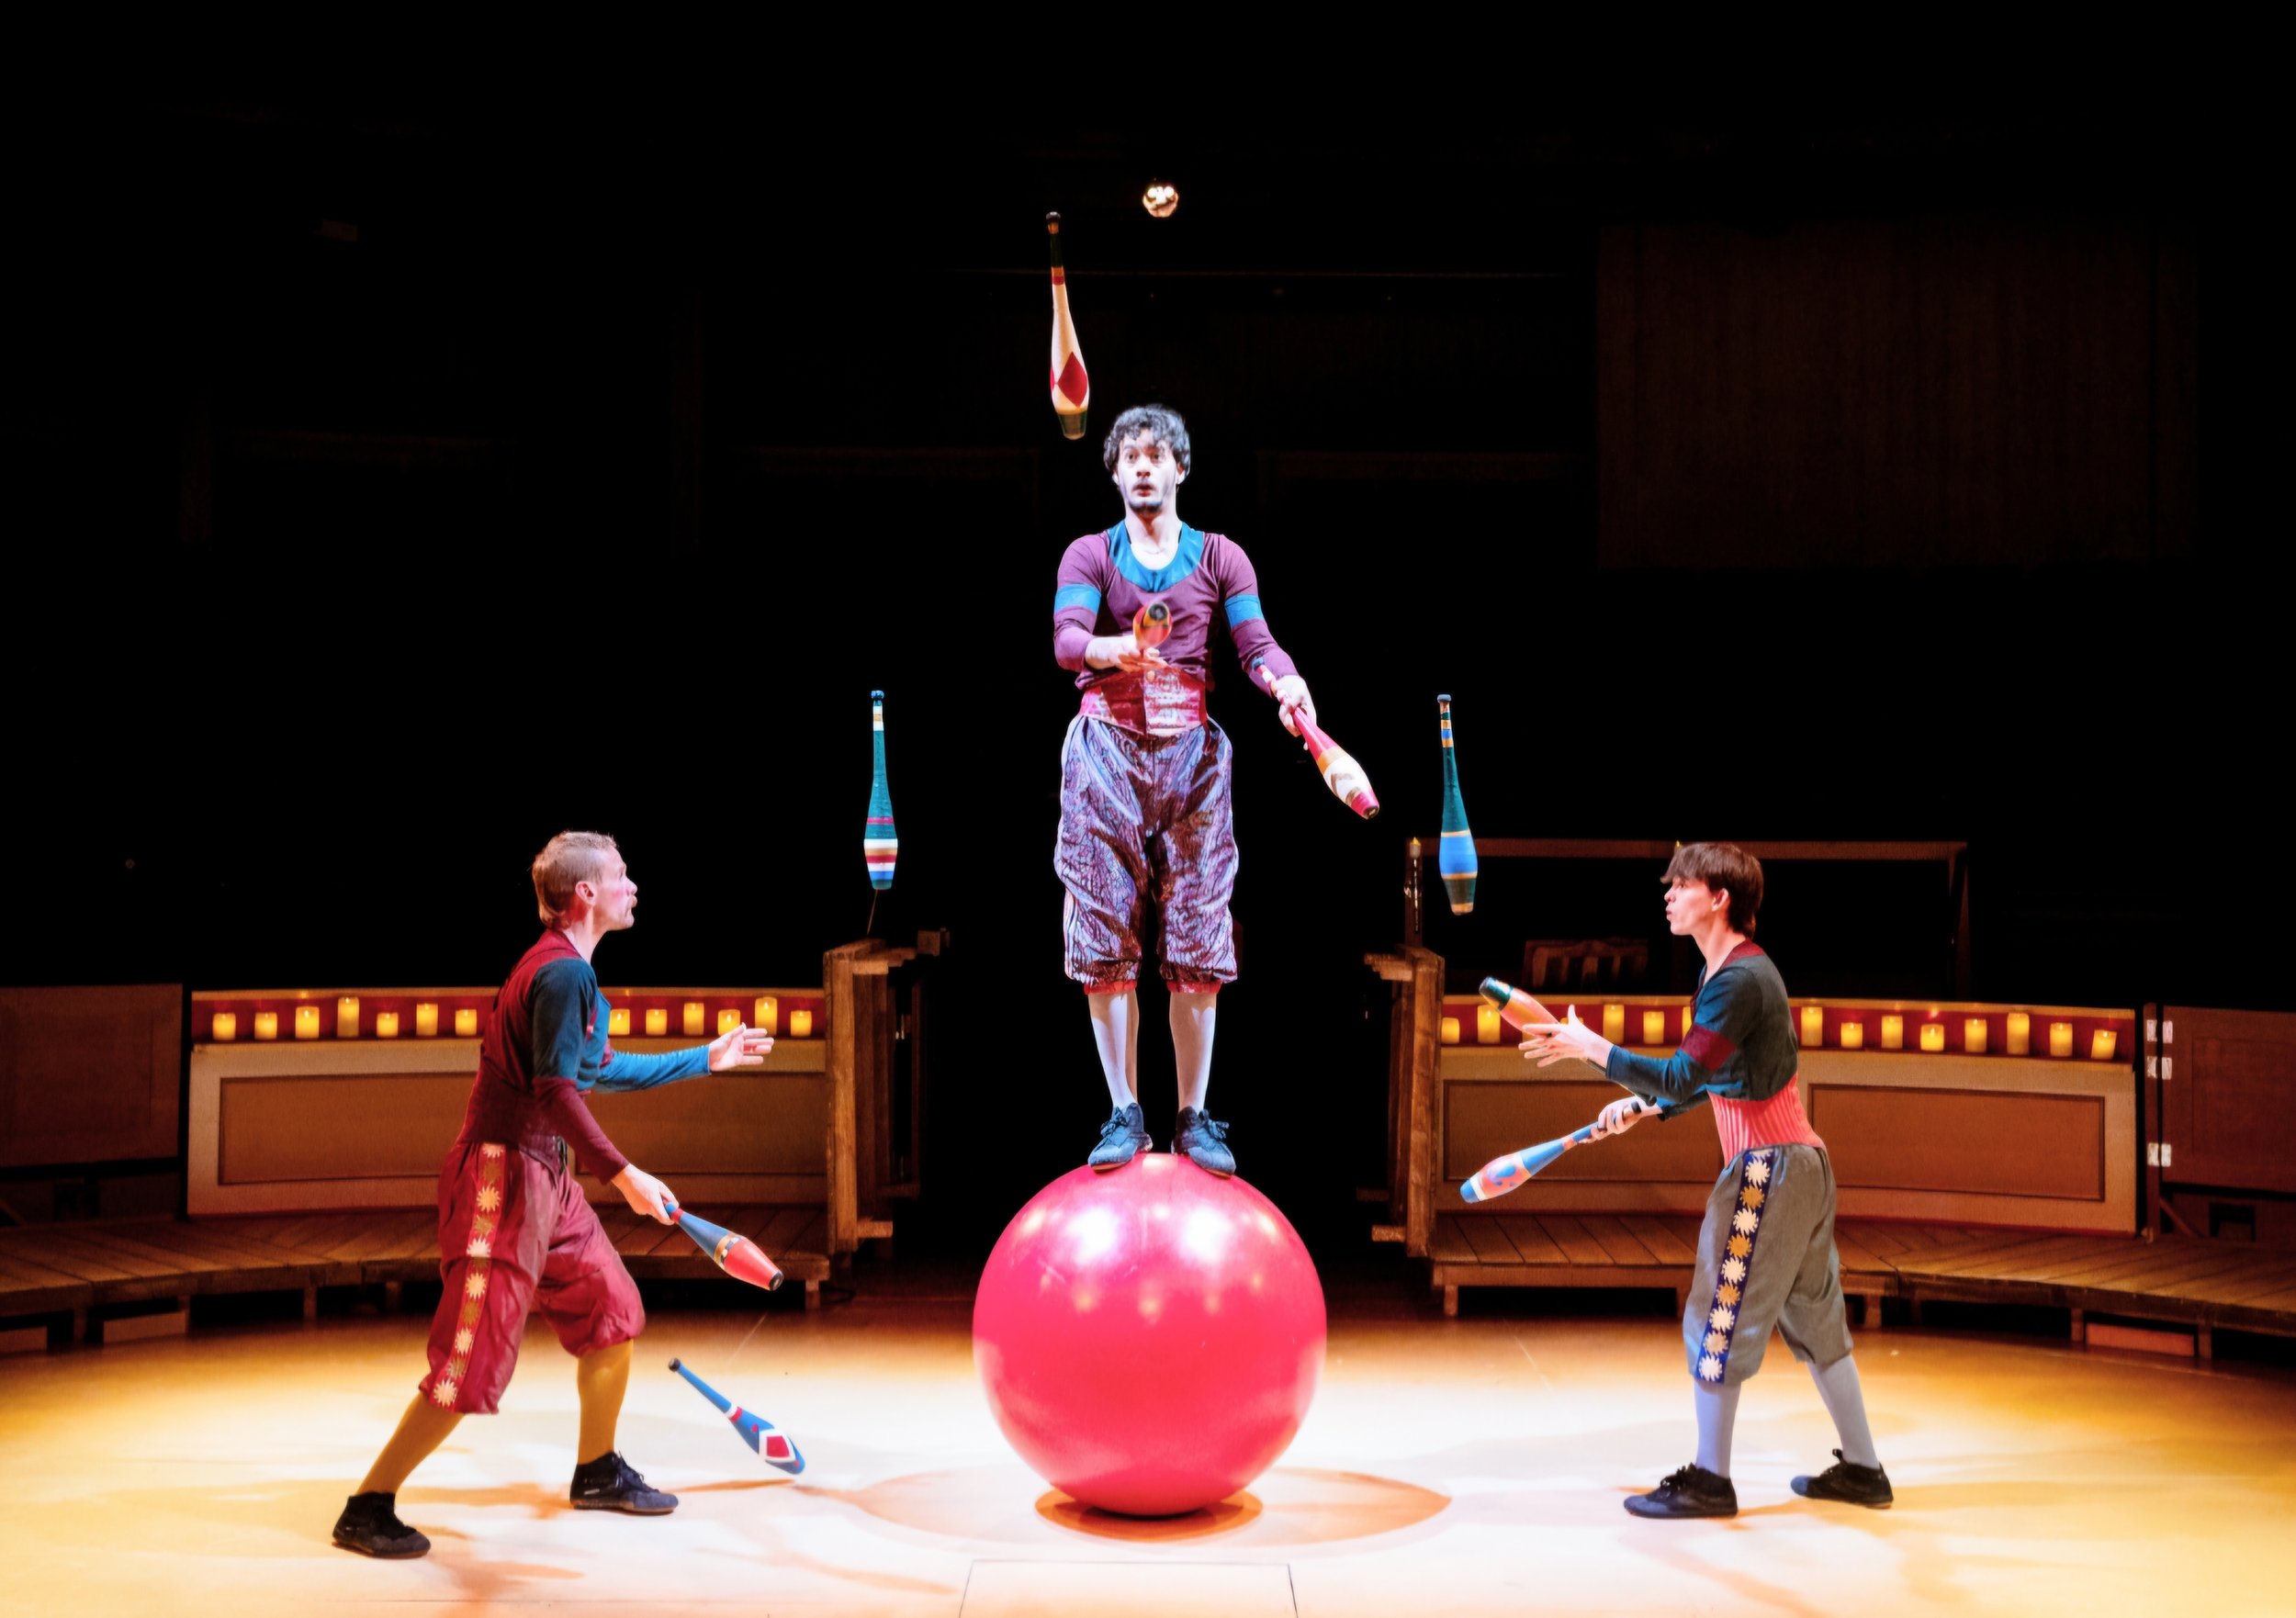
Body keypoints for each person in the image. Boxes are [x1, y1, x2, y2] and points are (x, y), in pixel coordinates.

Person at [332, 831, 775, 1557]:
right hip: (499, 1181)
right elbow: (554, 1089)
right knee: (471, 1361)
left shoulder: (570, 975)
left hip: (543, 1176)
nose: (635, 885)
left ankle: (597, 1471)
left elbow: (594, 1069)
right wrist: (624, 1174)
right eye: (622, 875)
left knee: (612, 1308)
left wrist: (706, 1057)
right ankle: (368, 1503)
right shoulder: (563, 975)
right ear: (587, 894)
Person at [1519, 842, 1891, 1518]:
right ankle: (1864, 1470)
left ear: (1718, 899)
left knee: (1718, 1317)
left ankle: (1710, 1481)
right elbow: (1714, 1080)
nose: (1668, 895)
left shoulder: (1738, 980)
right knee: (1815, 1320)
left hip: (1766, 1174)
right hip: (1801, 1166)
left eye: (1680, 884)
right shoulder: (1736, 974)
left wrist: (1591, 1048)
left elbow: (1682, 1074)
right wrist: (1643, 1107)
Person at [1052, 403, 1315, 1177]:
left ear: (1180, 469)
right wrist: (1114, 650)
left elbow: (1255, 645)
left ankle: (1193, 1115)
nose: (1140, 465)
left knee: (1200, 938)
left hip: (1193, 761)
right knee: (1103, 937)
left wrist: (1286, 682)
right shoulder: (1089, 555)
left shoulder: (1222, 559)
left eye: (1154, 454)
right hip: (1104, 753)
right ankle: (1123, 1111)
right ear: (1115, 472)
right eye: (1128, 455)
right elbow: (1067, 641)